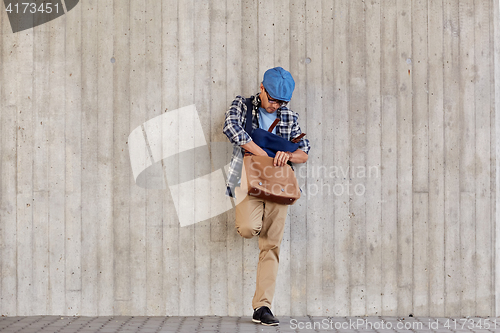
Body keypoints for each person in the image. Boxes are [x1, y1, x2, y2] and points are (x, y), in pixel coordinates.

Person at [222, 67, 310, 326]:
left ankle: (262, 307)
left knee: (271, 245)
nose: (275, 106)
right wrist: (263, 153)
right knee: (249, 227)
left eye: (281, 101)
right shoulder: (242, 105)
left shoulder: (289, 116)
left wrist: (288, 156)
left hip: (278, 186)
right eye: (272, 99)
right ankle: (257, 221)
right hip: (246, 179)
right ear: (261, 88)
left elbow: (304, 152)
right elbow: (231, 128)